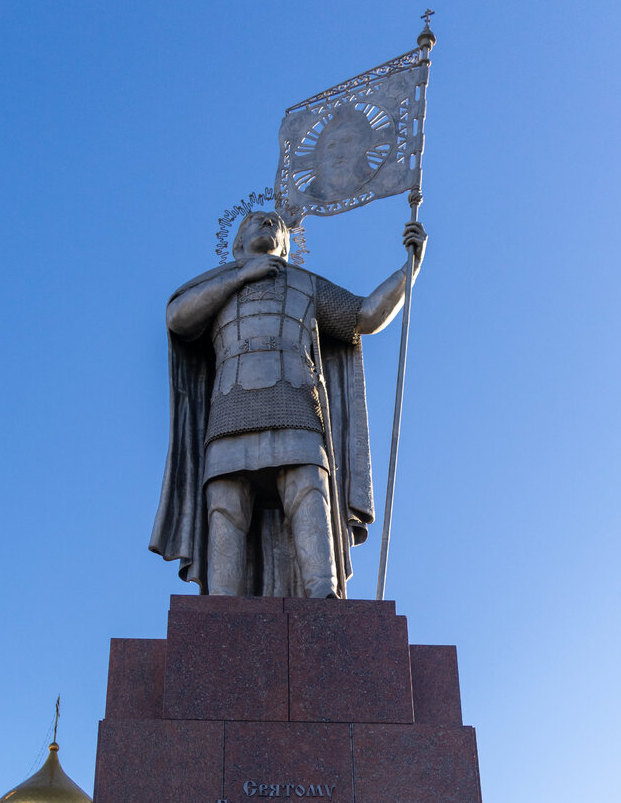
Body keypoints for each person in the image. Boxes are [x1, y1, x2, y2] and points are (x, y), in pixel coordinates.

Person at [150, 208, 426, 596]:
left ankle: (322, 593)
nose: (267, 224)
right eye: (256, 221)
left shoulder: (305, 283)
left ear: (286, 242)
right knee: (225, 506)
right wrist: (242, 276)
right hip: (231, 408)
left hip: (295, 405)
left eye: (275, 224)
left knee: (309, 492)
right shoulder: (216, 287)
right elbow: (178, 318)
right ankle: (221, 605)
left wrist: (408, 270)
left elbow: (363, 315)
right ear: (237, 241)